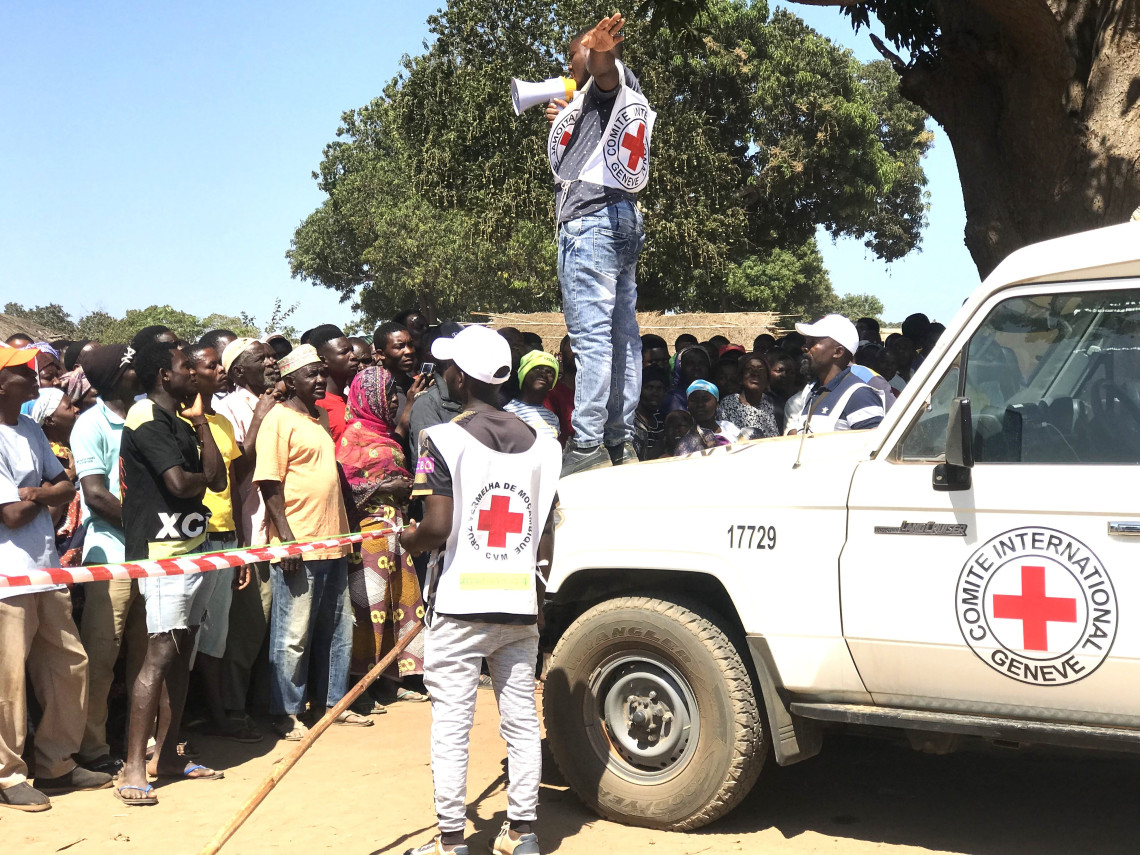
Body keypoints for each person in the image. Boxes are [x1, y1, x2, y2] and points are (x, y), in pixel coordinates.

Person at [401, 324, 561, 855]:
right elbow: (547, 532)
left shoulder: (440, 440)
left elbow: (438, 527)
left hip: (459, 605)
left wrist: (406, 539)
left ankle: (451, 841)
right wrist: (537, 595)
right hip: (518, 604)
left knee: (451, 723)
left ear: (457, 375)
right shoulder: (546, 445)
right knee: (520, 719)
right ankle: (522, 832)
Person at [115, 341, 228, 805]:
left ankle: (171, 753)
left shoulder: (182, 422)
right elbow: (180, 483)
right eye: (186, 367)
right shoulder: (144, 419)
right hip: (162, 552)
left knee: (184, 653)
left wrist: (202, 423)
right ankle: (133, 766)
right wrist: (195, 477)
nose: (194, 374)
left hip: (193, 547)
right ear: (164, 374)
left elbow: (217, 479)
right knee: (160, 654)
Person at [0, 346, 110, 812]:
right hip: (8, 577)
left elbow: (65, 485)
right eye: (21, 370)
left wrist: (40, 492)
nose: (34, 376)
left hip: (45, 570)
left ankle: (56, 761)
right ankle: (7, 774)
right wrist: (46, 493)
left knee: (69, 664)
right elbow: (13, 513)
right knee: (8, 681)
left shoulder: (26, 428)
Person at [547, 12, 655, 476]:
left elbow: (606, 72)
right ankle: (620, 437)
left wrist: (600, 52)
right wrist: (565, 119)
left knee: (592, 339)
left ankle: (588, 442)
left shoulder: (608, 82)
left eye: (579, 62)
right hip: (622, 218)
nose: (576, 71)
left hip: (590, 224)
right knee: (621, 336)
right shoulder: (589, 106)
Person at [253, 345, 366, 740]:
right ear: (290, 381)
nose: (320, 379)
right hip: (299, 544)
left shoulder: (317, 418)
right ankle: (285, 712)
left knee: (338, 629)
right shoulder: (278, 420)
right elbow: (269, 482)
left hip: (333, 542)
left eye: (322, 373)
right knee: (292, 634)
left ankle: (334, 702)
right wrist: (287, 540)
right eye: (311, 374)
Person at [71, 344, 147, 776]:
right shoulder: (90, 425)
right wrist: (148, 531)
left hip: (153, 557)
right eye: (131, 365)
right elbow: (97, 495)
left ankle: (143, 741)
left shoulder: (145, 415)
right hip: (112, 555)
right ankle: (92, 746)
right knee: (101, 655)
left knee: (146, 652)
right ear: (117, 377)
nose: (139, 369)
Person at [337, 366, 427, 708]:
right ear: (368, 398)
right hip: (368, 536)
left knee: (398, 607)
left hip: (397, 532)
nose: (392, 400)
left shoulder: (386, 435)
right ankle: (363, 687)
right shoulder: (352, 437)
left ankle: (393, 679)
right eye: (387, 395)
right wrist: (385, 486)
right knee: (369, 612)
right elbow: (345, 487)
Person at [182, 344, 259, 743]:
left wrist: (242, 546)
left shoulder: (222, 423)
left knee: (216, 635)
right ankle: (196, 718)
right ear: (191, 374)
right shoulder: (180, 421)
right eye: (211, 366)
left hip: (227, 536)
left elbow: (230, 483)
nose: (220, 371)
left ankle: (214, 716)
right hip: (196, 536)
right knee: (188, 634)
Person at [214, 338, 281, 726]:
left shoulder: (277, 402)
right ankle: (233, 710)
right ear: (238, 371)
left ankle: (261, 705)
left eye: (272, 357)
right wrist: (260, 418)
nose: (272, 363)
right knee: (247, 629)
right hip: (249, 531)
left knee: (272, 628)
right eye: (262, 359)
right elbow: (236, 472)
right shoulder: (228, 408)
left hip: (279, 533)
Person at [787, 314, 886, 435]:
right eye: (806, 342)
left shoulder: (859, 395)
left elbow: (873, 447)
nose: (804, 347)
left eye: (813, 342)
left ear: (838, 352)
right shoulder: (811, 390)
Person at [28, 388, 84, 566]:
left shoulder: (72, 447)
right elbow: (52, 512)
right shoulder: (54, 455)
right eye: (68, 407)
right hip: (63, 542)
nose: (76, 409)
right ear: (50, 420)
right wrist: (68, 478)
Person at [308, 324, 361, 443]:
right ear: (323, 361)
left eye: (352, 350)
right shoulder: (318, 406)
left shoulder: (352, 401)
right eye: (344, 352)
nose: (353, 356)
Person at [716, 353, 780, 440]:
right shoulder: (727, 404)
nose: (755, 374)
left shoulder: (775, 405)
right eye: (750, 369)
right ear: (741, 377)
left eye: (761, 370)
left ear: (767, 380)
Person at [503, 351, 561, 440]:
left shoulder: (553, 418)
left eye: (550, 372)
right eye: (537, 368)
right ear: (524, 374)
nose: (543, 374)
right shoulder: (507, 413)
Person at [673, 380, 740, 455]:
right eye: (694, 400)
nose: (700, 404)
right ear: (688, 407)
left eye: (705, 399)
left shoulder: (729, 427)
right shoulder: (686, 444)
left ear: (717, 404)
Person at [542, 335, 576, 447]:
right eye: (573, 345)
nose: (578, 350)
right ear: (560, 356)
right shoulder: (552, 393)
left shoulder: (598, 392)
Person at [632, 365, 668, 460]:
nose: (655, 393)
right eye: (649, 388)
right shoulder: (630, 421)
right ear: (640, 390)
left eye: (659, 388)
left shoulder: (661, 421)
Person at [662, 345, 712, 414]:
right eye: (690, 363)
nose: (696, 367)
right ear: (680, 367)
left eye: (701, 363)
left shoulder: (714, 394)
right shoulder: (673, 398)